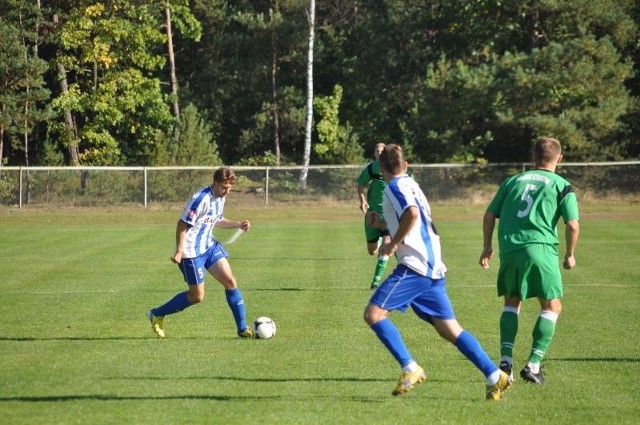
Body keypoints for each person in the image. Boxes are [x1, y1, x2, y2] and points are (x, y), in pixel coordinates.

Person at [364, 144, 511, 400]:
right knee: (450, 330)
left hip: (415, 267)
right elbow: (414, 216)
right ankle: (494, 375)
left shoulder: (395, 187)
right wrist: (384, 224)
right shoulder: (412, 184)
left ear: (381, 167)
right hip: (432, 268)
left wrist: (393, 243)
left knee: (374, 314)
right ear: (406, 165)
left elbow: (411, 214)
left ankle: (410, 368)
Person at [479, 136, 580, 384]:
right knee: (552, 307)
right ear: (560, 158)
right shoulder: (562, 184)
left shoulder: (512, 181)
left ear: (533, 157)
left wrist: (487, 246)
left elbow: (490, 213)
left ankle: (505, 363)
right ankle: (533, 365)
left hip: (511, 250)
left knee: (512, 304)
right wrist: (569, 254)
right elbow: (573, 225)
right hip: (541, 249)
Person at [148, 166, 253, 339]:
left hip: (209, 246)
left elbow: (218, 219)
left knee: (230, 281)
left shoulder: (220, 198)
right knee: (197, 296)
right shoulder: (200, 199)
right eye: (224, 187)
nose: (227, 192)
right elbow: (182, 224)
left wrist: (238, 224)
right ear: (215, 183)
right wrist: (179, 251)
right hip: (191, 253)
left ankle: (242, 329)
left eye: (229, 188)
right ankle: (157, 314)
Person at [356, 143, 391, 289]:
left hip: (390, 214)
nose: (380, 152)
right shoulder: (372, 168)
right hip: (373, 213)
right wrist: (363, 200)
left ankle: (376, 281)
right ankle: (378, 241)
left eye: (383, 150)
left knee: (387, 246)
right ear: (375, 153)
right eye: (378, 150)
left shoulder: (394, 167)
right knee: (372, 250)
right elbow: (360, 183)